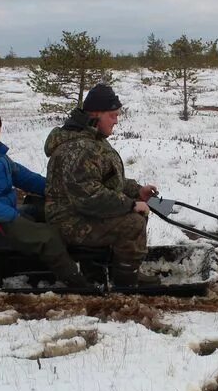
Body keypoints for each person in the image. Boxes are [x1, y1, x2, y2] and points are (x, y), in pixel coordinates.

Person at [0, 105, 90, 288]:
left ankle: (70, 263)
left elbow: (25, 178)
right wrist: (14, 217)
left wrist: (60, 190)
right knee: (48, 237)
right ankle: (79, 284)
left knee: (51, 212)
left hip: (6, 215)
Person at [43, 83, 159, 287]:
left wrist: (137, 191)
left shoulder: (92, 139)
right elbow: (89, 198)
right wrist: (131, 205)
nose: (116, 121)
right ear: (96, 114)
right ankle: (126, 279)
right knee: (133, 222)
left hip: (79, 213)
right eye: (113, 115)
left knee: (137, 212)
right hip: (69, 221)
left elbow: (109, 179)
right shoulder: (79, 148)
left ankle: (116, 264)